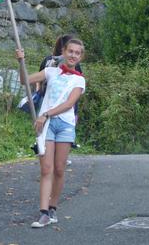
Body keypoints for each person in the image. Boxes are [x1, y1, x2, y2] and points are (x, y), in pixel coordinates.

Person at [15, 38, 86, 228]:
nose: (73, 55)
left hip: (64, 126)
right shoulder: (51, 72)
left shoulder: (79, 79)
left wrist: (45, 114)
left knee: (59, 169)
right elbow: (24, 80)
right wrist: (21, 61)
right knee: (46, 169)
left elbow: (69, 104)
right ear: (63, 52)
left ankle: (53, 207)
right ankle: (43, 213)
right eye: (70, 51)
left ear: (81, 57)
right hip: (45, 127)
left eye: (77, 53)